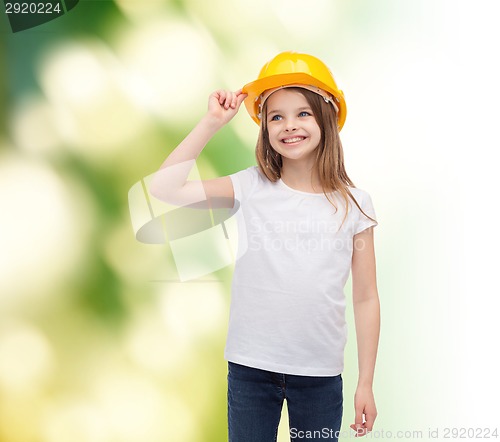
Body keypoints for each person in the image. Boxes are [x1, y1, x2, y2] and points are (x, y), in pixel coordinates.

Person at [149, 51, 380, 442]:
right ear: (264, 127)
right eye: (276, 116)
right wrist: (211, 123)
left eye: (302, 113)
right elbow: (164, 189)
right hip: (251, 369)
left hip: (320, 375)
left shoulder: (355, 204)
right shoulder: (250, 186)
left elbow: (366, 297)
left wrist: (365, 383)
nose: (289, 126)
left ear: (327, 117)